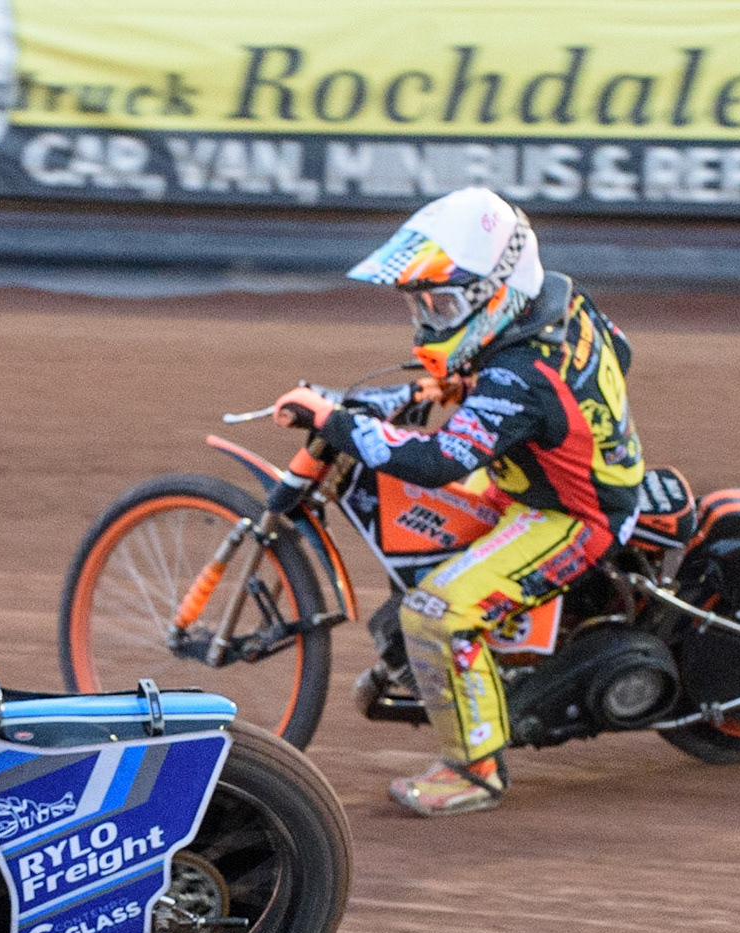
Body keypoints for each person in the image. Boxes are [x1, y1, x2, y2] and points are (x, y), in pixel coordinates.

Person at [270, 188, 644, 816]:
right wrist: (471, 387)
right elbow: (621, 353)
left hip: (572, 516)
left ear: (496, 290)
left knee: (434, 614)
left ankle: (476, 769)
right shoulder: (564, 303)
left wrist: (336, 422)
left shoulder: (521, 374)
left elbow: (437, 461)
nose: (426, 323)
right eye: (420, 306)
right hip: (539, 478)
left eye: (441, 305)